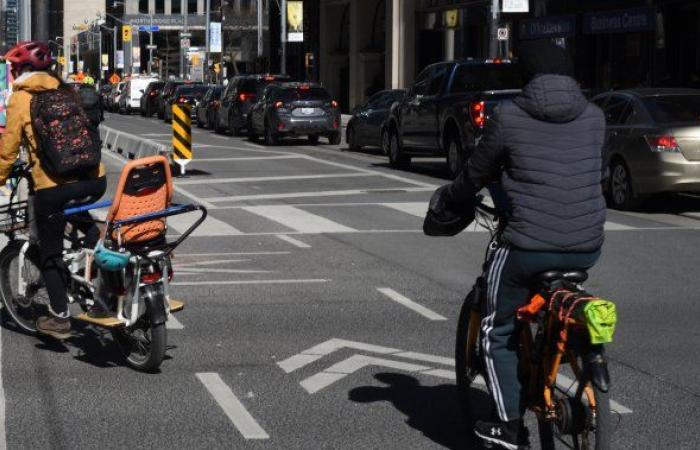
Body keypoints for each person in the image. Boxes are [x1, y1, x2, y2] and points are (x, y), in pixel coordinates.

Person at [430, 39, 606, 449]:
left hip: (527, 244)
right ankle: (551, 352)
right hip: (587, 244)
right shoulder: (595, 116)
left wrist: (453, 198)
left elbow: (476, 172)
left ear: (524, 77)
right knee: (551, 297)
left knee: (496, 328)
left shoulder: (508, 115)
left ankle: (507, 427)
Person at [0, 41, 106, 340]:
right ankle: (98, 272)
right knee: (81, 219)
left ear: (22, 70)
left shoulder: (22, 98)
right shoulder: (66, 90)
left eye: (14, 68)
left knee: (50, 252)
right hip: (95, 179)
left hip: (53, 186)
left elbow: (8, 150)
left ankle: (59, 316)